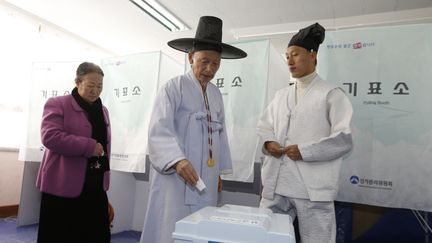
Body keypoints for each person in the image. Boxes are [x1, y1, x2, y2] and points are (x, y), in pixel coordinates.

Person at [140, 16, 247, 243]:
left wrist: (218, 171)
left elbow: (220, 134)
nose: (209, 69)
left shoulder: (216, 94)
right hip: (175, 178)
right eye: (204, 61)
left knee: (201, 227)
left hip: (205, 177)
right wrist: (177, 160)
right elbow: (159, 129)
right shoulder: (173, 87)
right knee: (170, 226)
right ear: (191, 57)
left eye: (216, 63)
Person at [256, 23, 353, 243]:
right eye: (287, 56)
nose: (289, 60)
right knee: (267, 237)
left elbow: (343, 137)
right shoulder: (281, 95)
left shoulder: (331, 94)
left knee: (317, 240)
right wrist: (269, 142)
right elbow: (264, 125)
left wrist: (305, 151)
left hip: (313, 187)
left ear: (312, 55)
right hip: (276, 184)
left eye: (295, 55)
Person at [36, 62, 112, 243]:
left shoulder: (103, 110)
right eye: (91, 85)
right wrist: (88, 146)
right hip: (62, 183)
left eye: (100, 86)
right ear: (77, 82)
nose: (96, 90)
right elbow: (50, 137)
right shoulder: (58, 104)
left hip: (95, 182)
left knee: (96, 234)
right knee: (61, 234)